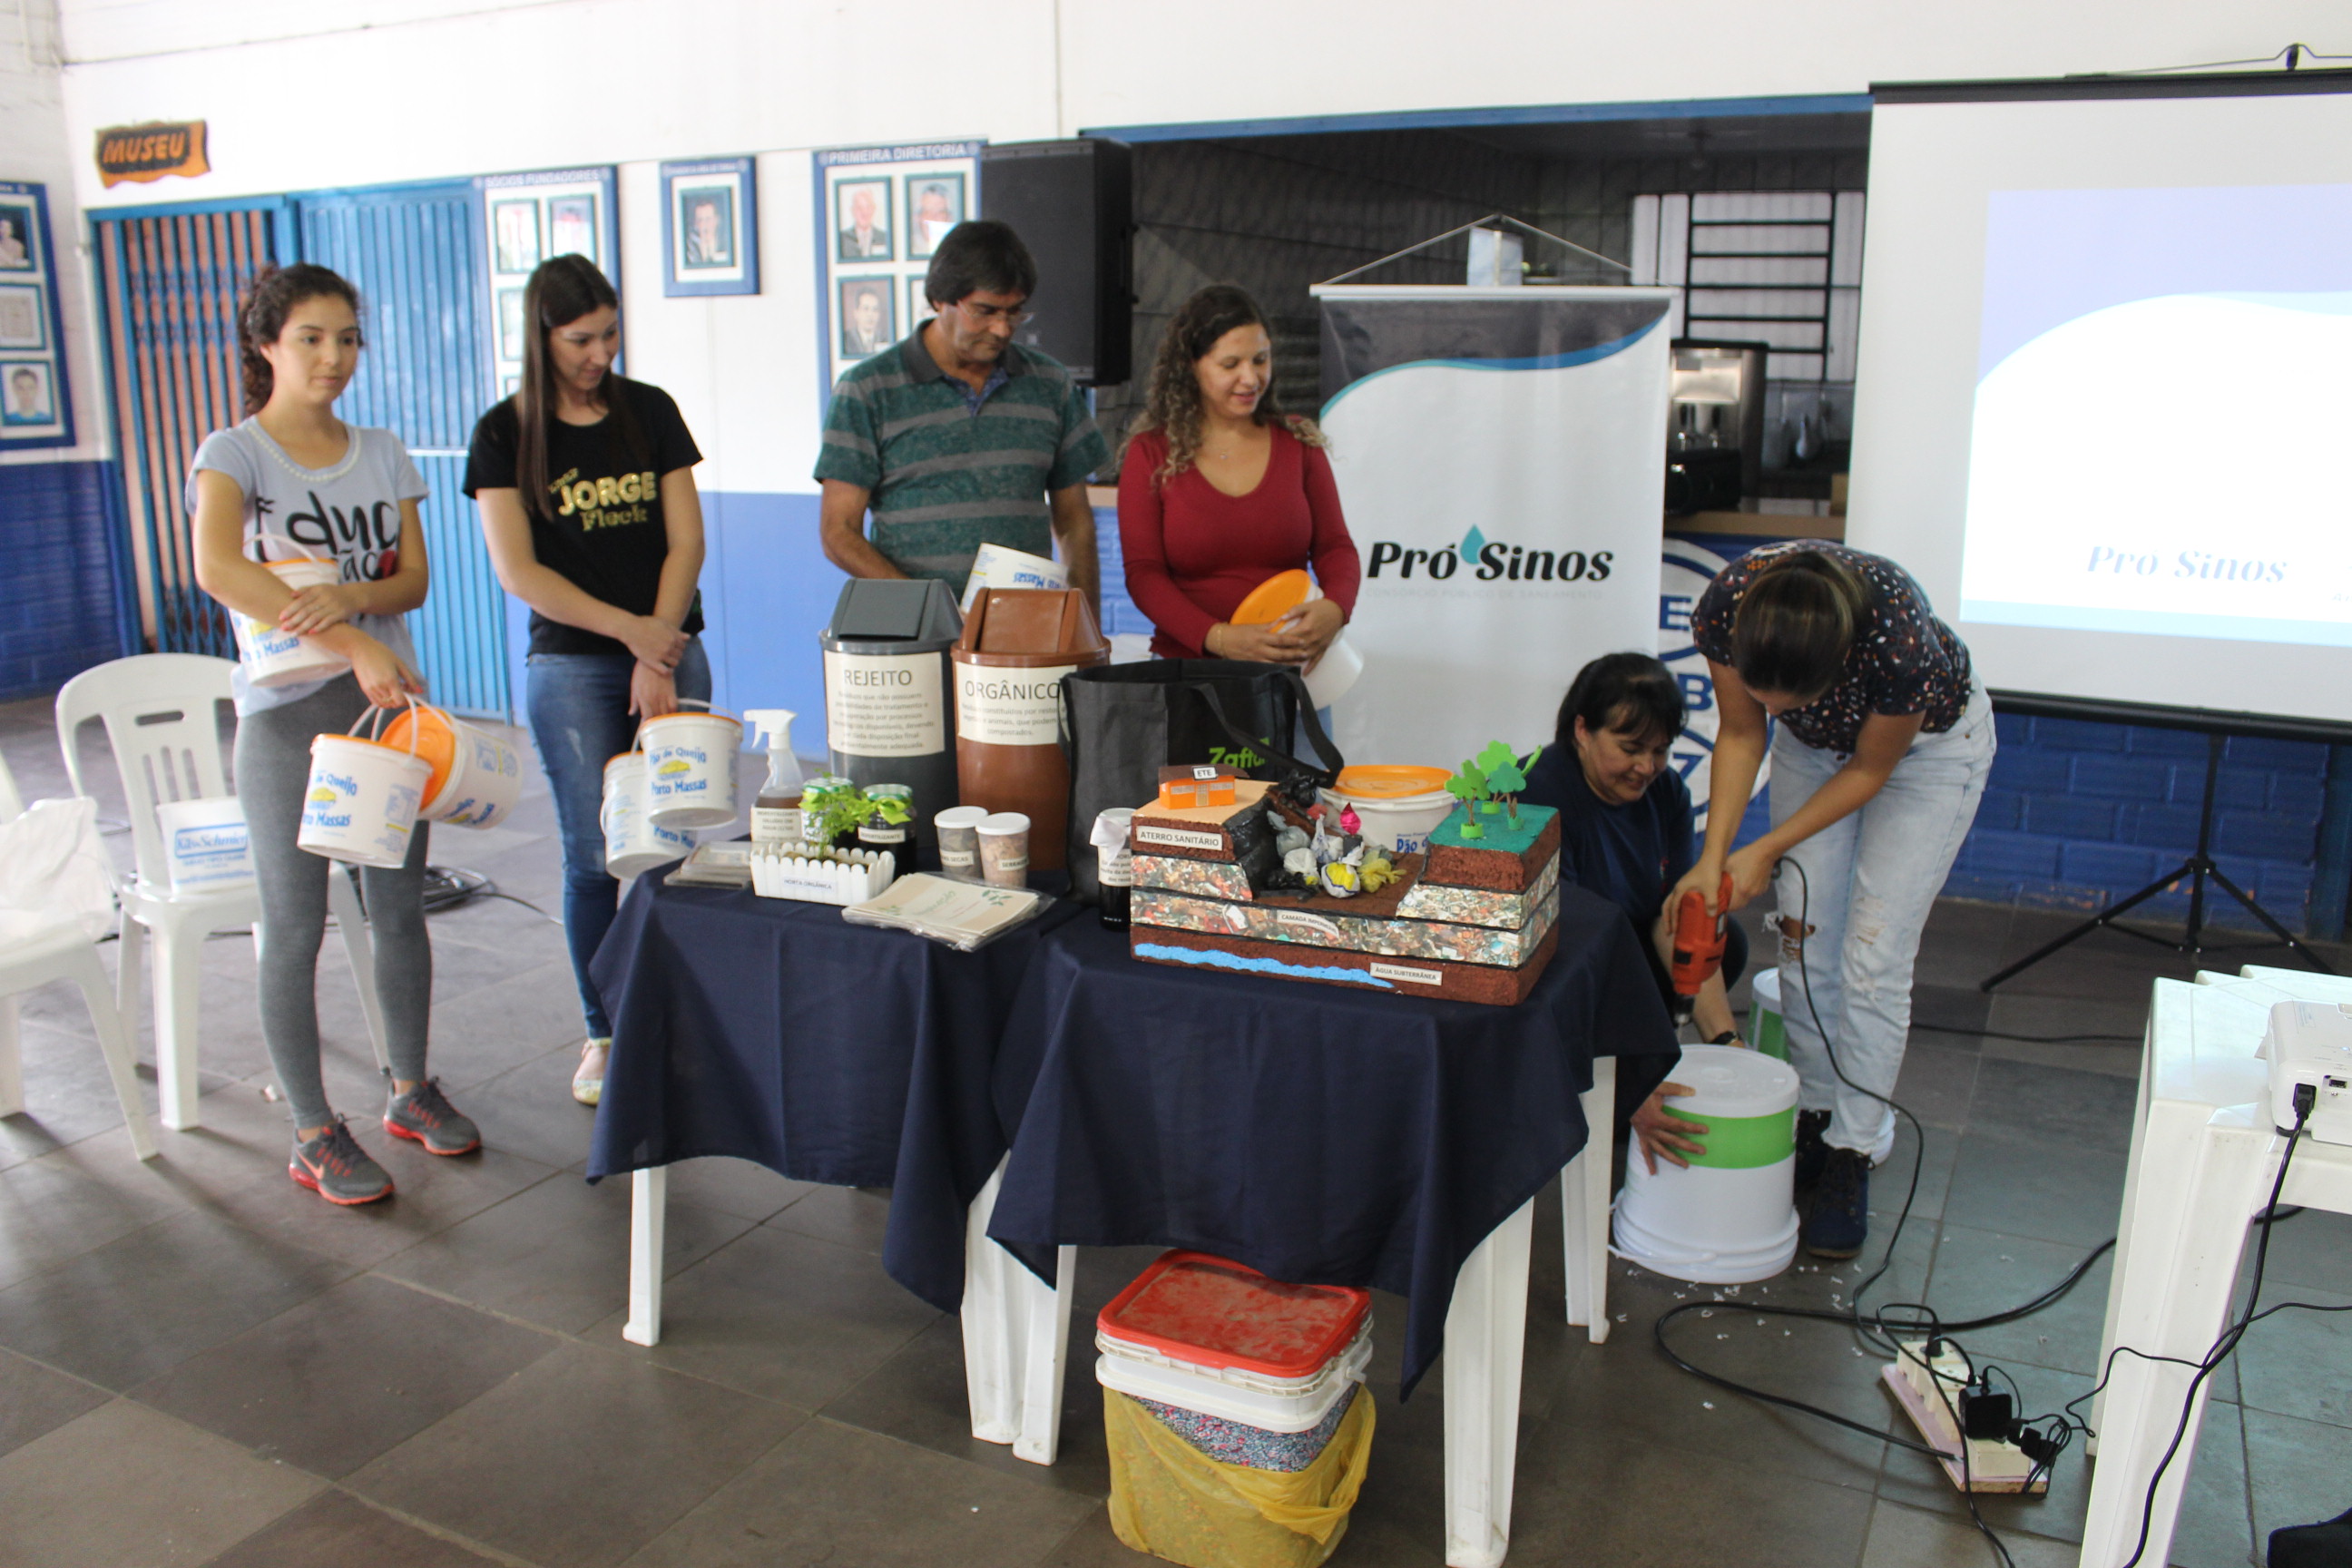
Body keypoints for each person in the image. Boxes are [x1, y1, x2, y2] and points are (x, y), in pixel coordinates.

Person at [189, 262, 475, 1206]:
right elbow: (222, 568)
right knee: (296, 924)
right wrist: (351, 636)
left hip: (381, 713)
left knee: (397, 907)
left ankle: (410, 1088)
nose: (333, 356)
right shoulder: (233, 452)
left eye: (347, 338)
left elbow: (414, 579)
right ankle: (312, 1129)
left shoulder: (381, 450)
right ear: (266, 343)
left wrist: (355, 600)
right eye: (311, 337)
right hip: (286, 722)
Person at [1674, 542, 1994, 1259]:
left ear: (1840, 661)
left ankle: (1854, 1150)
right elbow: (1741, 729)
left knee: (1874, 954)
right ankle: (1816, 1117)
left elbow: (1870, 770)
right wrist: (1715, 859)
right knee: (1802, 936)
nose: (1777, 705)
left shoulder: (1900, 643)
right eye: (1769, 691)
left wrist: (1766, 847)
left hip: (1926, 760)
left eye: (1795, 696)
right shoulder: (1728, 606)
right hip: (1813, 752)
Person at [465, 255, 709, 1108]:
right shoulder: (504, 433)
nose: (598, 352)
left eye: (609, 334)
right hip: (570, 663)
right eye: (580, 339)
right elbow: (520, 573)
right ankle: (605, 1031)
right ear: (542, 335)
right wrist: (631, 635)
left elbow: (687, 543)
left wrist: (655, 652)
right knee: (591, 856)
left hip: (669, 653)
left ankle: (680, 1015)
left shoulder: (650, 413)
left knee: (678, 845)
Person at [1521, 653, 1749, 1176]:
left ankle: (1641, 1072)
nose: (1646, 768)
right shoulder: (1539, 797)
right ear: (1582, 730)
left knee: (1722, 938)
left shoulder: (1665, 792)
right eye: (1629, 749)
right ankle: (1593, 1092)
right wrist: (1630, 1086)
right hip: (1557, 975)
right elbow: (1565, 963)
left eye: (1660, 751)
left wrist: (1728, 1045)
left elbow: (1680, 919)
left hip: (1623, 953)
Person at [816, 220, 1107, 605]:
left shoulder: (1050, 384)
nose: (1002, 329)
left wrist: (1083, 627)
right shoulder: (868, 389)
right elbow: (839, 532)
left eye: (1015, 312)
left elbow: (1074, 524)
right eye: (984, 311)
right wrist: (933, 611)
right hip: (913, 636)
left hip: (1019, 630)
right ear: (941, 299)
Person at [1117, 284, 1357, 667]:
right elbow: (1144, 575)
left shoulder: (1299, 443)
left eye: (1260, 360)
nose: (1250, 379)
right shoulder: (1151, 452)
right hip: (1190, 674)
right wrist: (1218, 639)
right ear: (1191, 367)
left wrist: (1336, 608)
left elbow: (1335, 547)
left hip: (1290, 672)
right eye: (1231, 365)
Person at [838, 184, 889, 259]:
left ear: (874, 209)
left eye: (868, 207)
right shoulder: (842, 239)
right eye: (859, 208)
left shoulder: (885, 238)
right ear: (853, 210)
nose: (864, 212)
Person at [841, 285, 889, 357]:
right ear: (856, 313)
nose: (870, 314)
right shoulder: (846, 340)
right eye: (865, 309)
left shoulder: (886, 338)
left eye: (875, 309)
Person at [684, 196, 729, 267]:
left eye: (708, 219)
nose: (704, 225)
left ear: (716, 220)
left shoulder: (727, 243)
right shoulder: (689, 248)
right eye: (700, 220)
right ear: (696, 223)